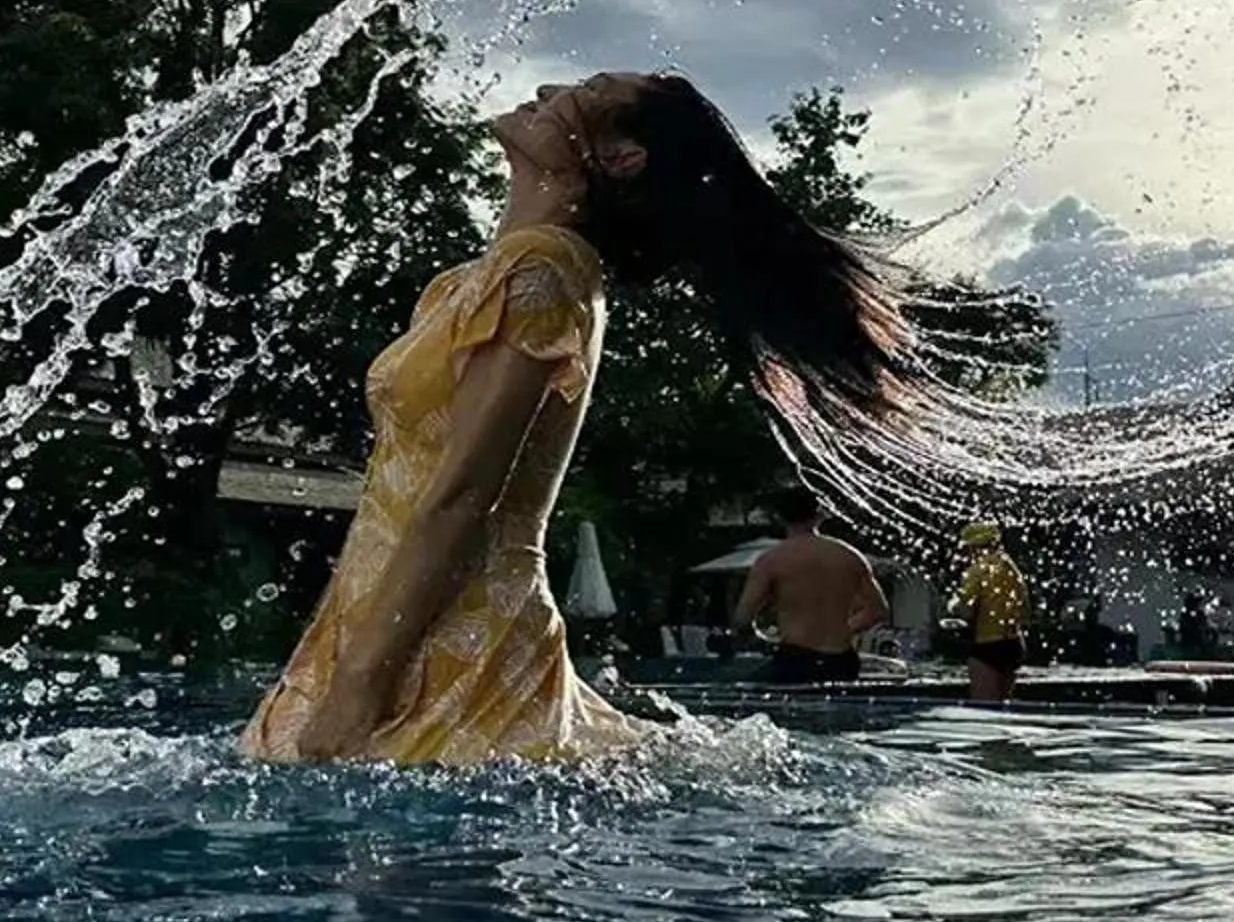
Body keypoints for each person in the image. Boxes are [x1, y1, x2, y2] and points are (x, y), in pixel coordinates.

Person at [243, 72, 929, 764]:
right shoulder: (474, 283)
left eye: (588, 90)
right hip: (393, 621)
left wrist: (358, 689)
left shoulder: (544, 269)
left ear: (621, 157)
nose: (546, 85)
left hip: (453, 646)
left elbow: (461, 496)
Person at [734, 487, 891, 685]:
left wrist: (762, 640)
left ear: (779, 517)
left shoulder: (771, 560)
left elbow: (742, 618)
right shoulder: (850, 556)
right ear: (819, 515)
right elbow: (878, 611)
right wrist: (843, 629)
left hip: (796, 659)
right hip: (843, 660)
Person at [949, 522, 1030, 703]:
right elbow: (1025, 611)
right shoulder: (1012, 568)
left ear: (972, 547)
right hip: (1014, 643)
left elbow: (966, 611)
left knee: (986, 708)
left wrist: (952, 608)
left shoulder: (976, 571)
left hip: (987, 645)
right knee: (1005, 703)